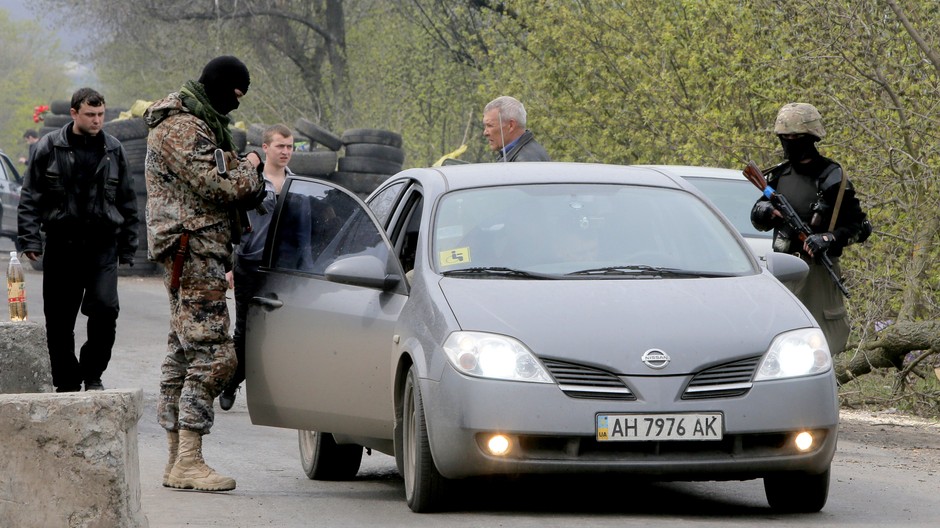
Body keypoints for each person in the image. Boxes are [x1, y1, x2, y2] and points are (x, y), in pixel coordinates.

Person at [144, 55, 264, 492]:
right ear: (220, 87)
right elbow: (223, 185)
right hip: (191, 251)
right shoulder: (182, 126)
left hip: (195, 251)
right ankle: (189, 460)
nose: (235, 106)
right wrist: (250, 169)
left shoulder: (200, 120)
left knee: (183, 353)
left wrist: (239, 167)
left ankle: (177, 461)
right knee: (215, 357)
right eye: (234, 96)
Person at [17, 88, 139, 393]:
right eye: (90, 115)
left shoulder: (114, 150)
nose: (97, 120)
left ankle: (92, 372)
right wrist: (31, 239)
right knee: (59, 322)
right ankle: (67, 382)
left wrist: (128, 245)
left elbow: (127, 200)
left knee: (106, 310)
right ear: (74, 113)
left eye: (101, 115)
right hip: (62, 244)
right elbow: (30, 196)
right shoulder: (48, 147)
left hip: (102, 246)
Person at [750, 102, 871, 354]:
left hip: (817, 273)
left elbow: (861, 227)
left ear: (811, 138)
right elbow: (758, 218)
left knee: (822, 344)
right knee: (779, 342)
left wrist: (827, 238)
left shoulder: (832, 177)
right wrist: (763, 212)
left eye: (796, 137)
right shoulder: (779, 176)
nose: (789, 141)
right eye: (785, 137)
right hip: (781, 269)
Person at [219, 124, 294, 411]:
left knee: (279, 333)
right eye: (280, 146)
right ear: (265, 148)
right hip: (249, 265)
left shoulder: (296, 185)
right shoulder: (250, 182)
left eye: (290, 147)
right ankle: (231, 381)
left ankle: (270, 389)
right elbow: (229, 224)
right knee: (245, 333)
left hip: (284, 271)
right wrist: (228, 265)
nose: (286, 152)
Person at [482, 96, 551, 162]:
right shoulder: (517, 154)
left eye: (490, 125)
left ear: (511, 125)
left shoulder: (525, 161)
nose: (485, 133)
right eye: (485, 126)